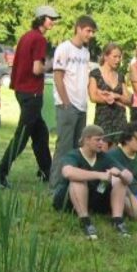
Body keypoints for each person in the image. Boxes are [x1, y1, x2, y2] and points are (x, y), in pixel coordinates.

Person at [0, 6, 60, 189]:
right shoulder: (39, 39)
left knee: (41, 133)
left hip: (21, 90)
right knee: (22, 136)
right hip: (32, 93)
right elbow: (37, 69)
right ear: (41, 18)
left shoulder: (26, 36)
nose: (53, 22)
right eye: (50, 18)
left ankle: (47, 172)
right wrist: (52, 64)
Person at [52, 123, 137, 240]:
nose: (102, 143)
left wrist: (121, 175)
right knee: (78, 180)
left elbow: (129, 177)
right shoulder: (74, 155)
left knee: (119, 180)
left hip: (94, 199)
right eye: (98, 140)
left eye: (102, 140)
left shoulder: (104, 156)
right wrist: (99, 175)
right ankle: (85, 221)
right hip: (68, 202)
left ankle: (118, 220)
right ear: (87, 140)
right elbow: (68, 172)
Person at [50, 16, 97, 194]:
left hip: (82, 105)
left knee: (79, 149)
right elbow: (58, 76)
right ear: (78, 28)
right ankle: (56, 186)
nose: (90, 35)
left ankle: (72, 185)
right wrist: (66, 102)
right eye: (88, 31)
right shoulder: (64, 48)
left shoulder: (85, 52)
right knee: (64, 147)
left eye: (92, 32)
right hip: (67, 105)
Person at [89, 42, 131, 149]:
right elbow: (93, 96)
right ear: (105, 56)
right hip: (103, 119)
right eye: (115, 56)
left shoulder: (120, 76)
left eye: (119, 57)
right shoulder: (95, 73)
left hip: (119, 119)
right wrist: (111, 100)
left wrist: (117, 96)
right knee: (102, 152)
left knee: (114, 154)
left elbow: (128, 100)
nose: (118, 60)